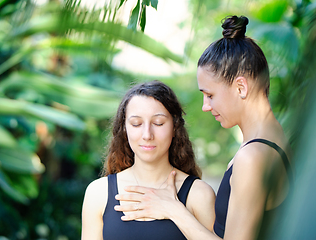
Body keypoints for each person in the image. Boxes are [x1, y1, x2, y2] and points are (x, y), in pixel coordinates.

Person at [114, 15, 294, 240]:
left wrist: (173, 209)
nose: (206, 106)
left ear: (241, 87)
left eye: (210, 95)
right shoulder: (277, 140)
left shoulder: (252, 156)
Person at [81, 80, 216, 240]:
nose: (147, 135)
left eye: (158, 123)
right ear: (124, 129)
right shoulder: (98, 193)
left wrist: (175, 210)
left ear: (175, 127)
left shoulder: (199, 194)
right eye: (136, 124)